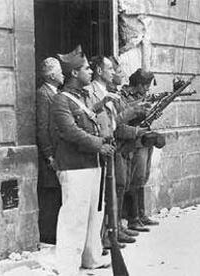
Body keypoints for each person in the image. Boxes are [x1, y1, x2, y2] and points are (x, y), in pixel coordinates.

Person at [51, 45, 115, 275]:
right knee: (74, 216)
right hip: (74, 166)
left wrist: (102, 104)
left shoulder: (82, 97)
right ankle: (67, 265)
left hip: (93, 164)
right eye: (87, 69)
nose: (91, 72)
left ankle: (91, 258)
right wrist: (100, 144)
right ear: (74, 73)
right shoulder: (61, 100)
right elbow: (71, 131)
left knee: (93, 215)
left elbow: (88, 119)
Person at [87, 55, 147, 246]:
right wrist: (133, 114)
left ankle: (113, 231)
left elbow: (113, 119)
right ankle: (106, 235)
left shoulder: (106, 92)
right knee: (108, 192)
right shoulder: (92, 92)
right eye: (110, 69)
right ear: (99, 71)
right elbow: (109, 122)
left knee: (118, 187)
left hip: (113, 145)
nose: (113, 73)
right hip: (105, 146)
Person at [122, 68, 165, 232]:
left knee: (144, 177)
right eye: (145, 85)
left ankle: (141, 214)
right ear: (138, 84)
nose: (147, 89)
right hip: (134, 140)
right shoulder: (125, 96)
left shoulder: (142, 96)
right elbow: (124, 116)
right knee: (136, 177)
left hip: (145, 139)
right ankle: (132, 218)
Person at [36, 57, 64, 244]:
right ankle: (49, 234)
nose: (63, 75)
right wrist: (49, 155)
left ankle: (55, 233)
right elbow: (42, 127)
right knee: (51, 193)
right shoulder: (43, 94)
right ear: (52, 75)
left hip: (59, 152)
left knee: (57, 192)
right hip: (51, 155)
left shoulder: (54, 92)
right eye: (60, 71)